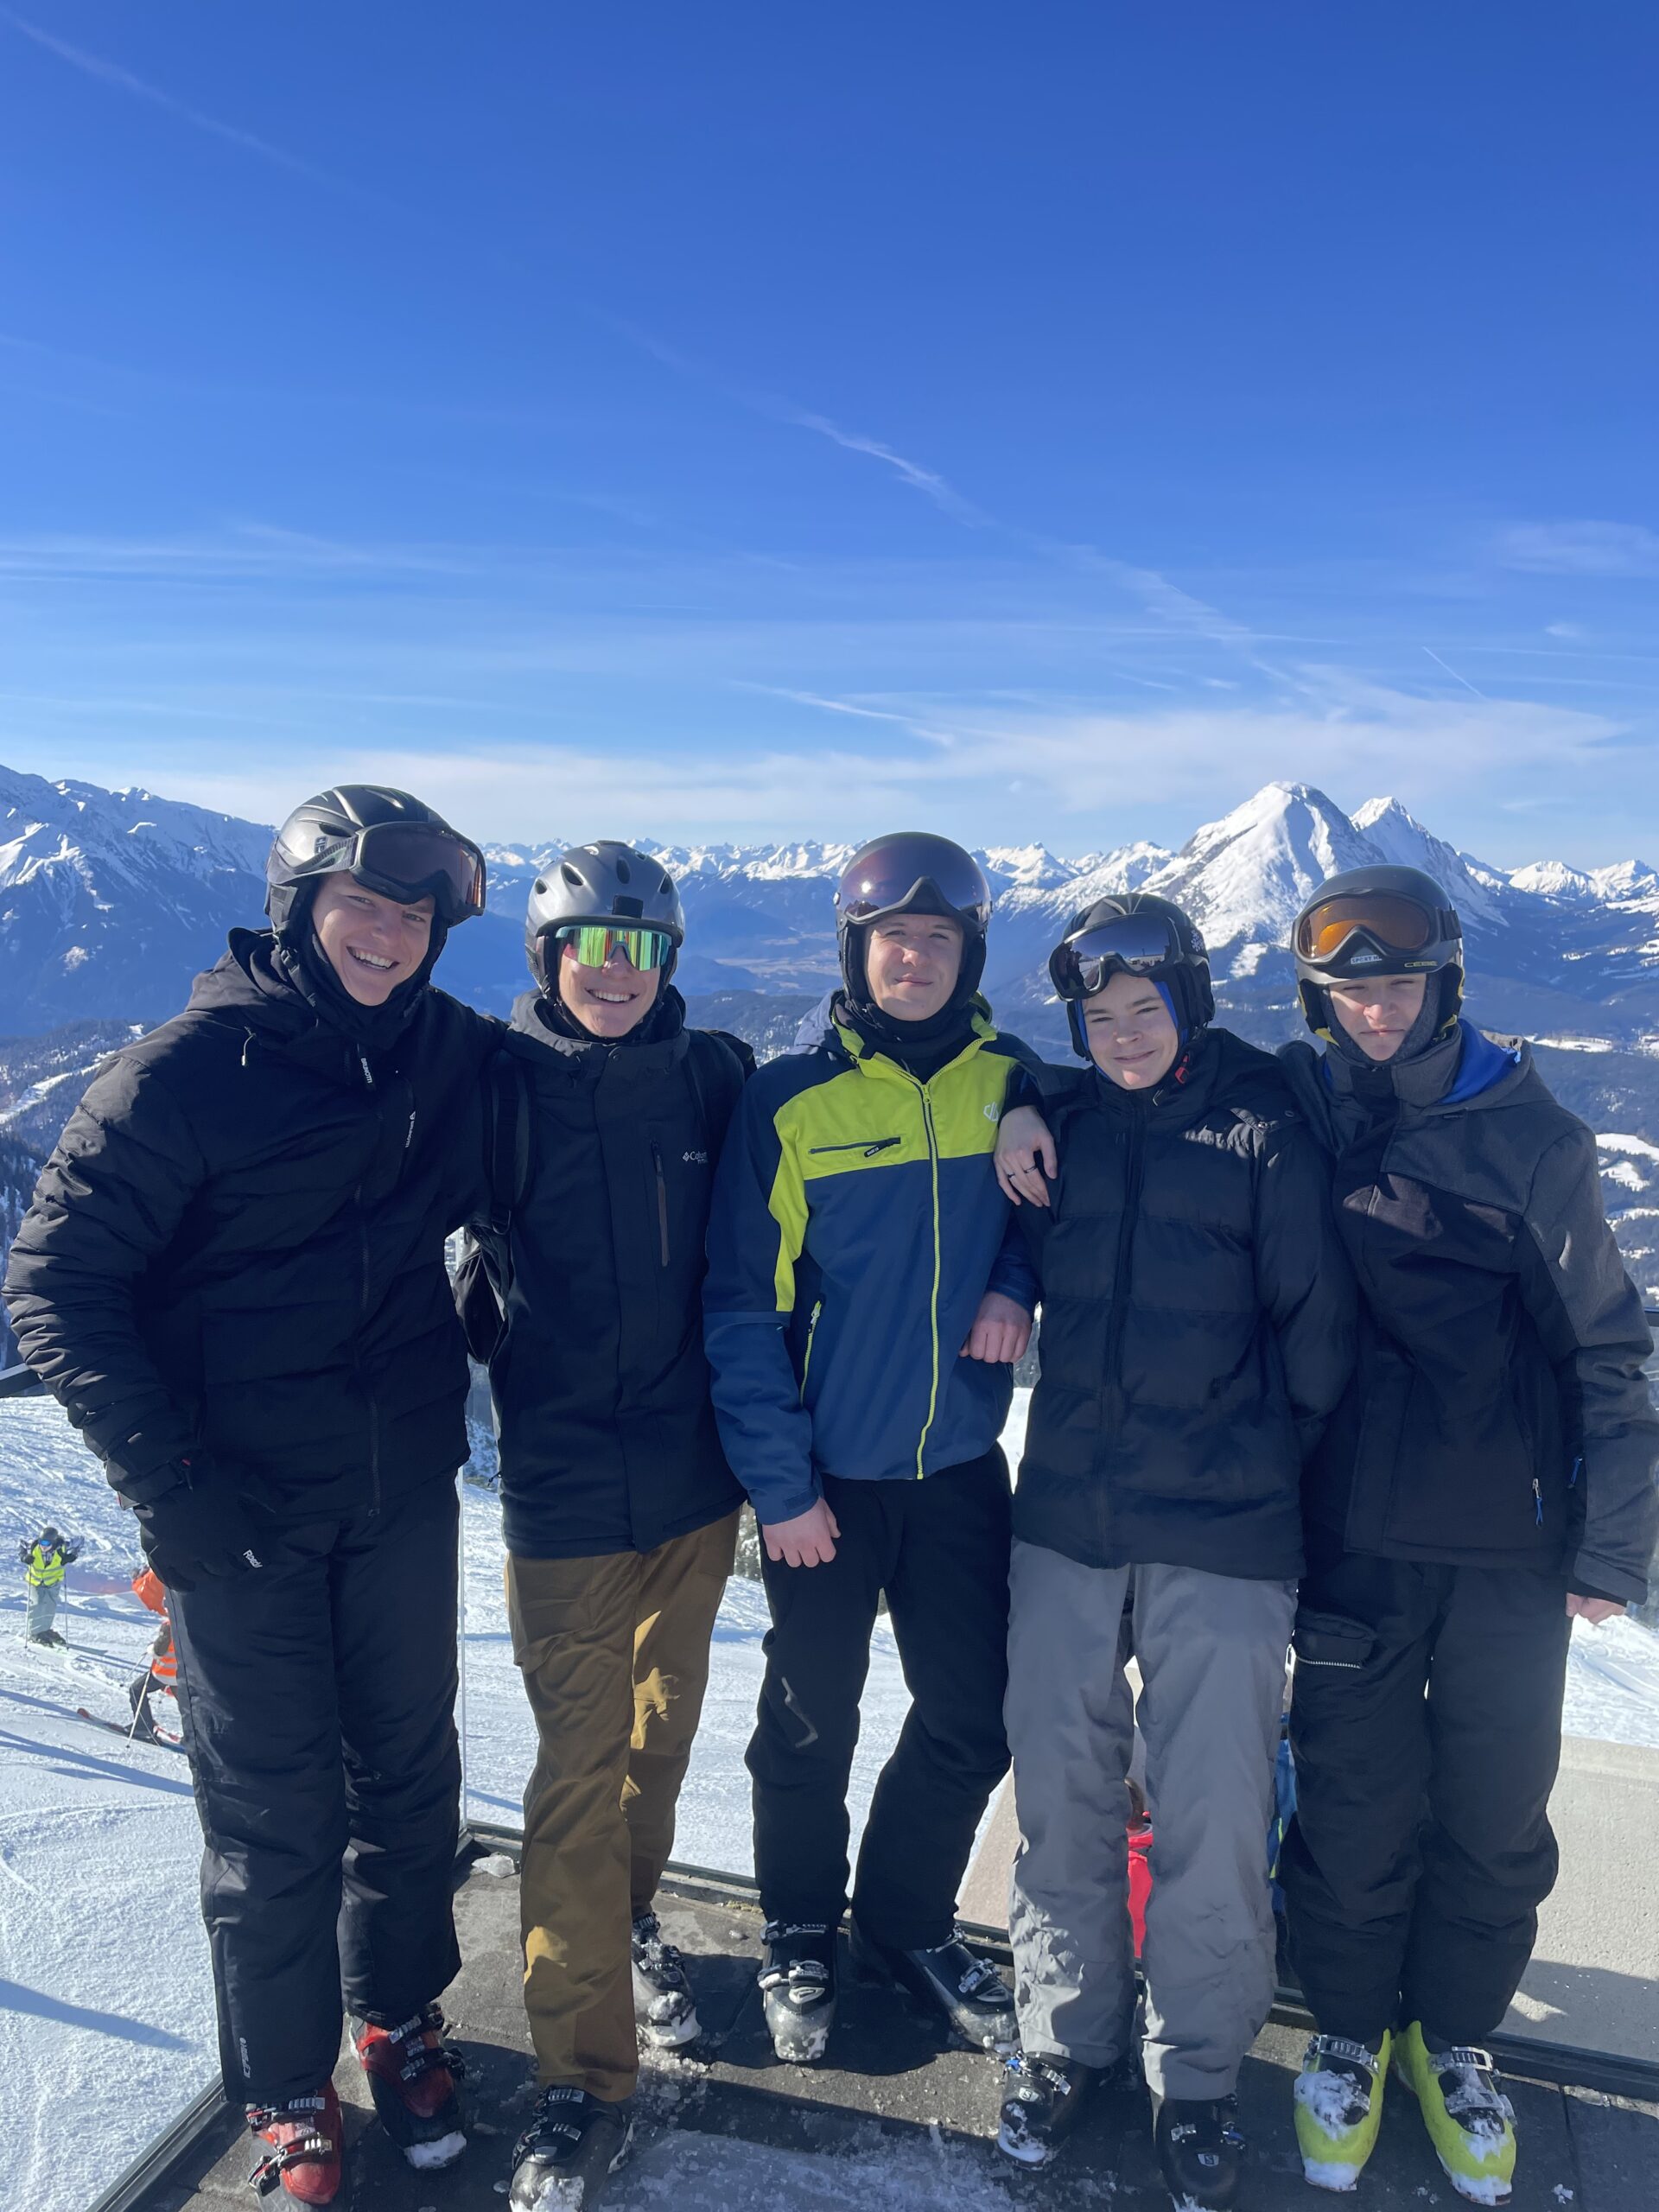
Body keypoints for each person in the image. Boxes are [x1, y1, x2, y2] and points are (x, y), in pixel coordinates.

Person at [4, 786, 496, 2208]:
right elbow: (55, 1284)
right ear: (298, 910)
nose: (390, 937)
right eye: (363, 907)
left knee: (409, 1777)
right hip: (236, 1513)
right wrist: (169, 1488)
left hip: (398, 1492)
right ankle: (285, 2082)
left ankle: (397, 2015)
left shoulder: (445, 1050)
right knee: (272, 1812)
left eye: (416, 917)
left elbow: (588, 1095)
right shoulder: (182, 1075)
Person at [1271, 864, 1659, 2206]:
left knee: (1494, 1816)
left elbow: (1607, 1351)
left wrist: (1613, 1546)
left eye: (1398, 984)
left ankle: (1453, 2041)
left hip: (1508, 1550)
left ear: (1444, 985)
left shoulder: (1532, 1139)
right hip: (1351, 1542)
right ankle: (1348, 2032)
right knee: (1353, 1807)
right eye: (1349, 991)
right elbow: (1147, 1088)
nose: (1375, 1009)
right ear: (1316, 1003)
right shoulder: (1301, 1105)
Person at [988, 896, 1353, 2212]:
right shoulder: (1065, 1123)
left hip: (1224, 1528)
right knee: (1061, 1794)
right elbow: (1018, 1203)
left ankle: (1197, 2075)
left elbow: (1316, 1336)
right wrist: (1021, 1098)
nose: (1124, 1035)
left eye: (1147, 1009)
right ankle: (1065, 2040)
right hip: (1070, 1519)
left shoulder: (1262, 1127)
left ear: (1190, 1004)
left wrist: (1259, 1464)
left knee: (1214, 1809)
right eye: (1099, 1017)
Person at [703, 831, 1038, 2068]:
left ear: (969, 956)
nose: (915, 958)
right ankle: (799, 1928)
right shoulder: (792, 1101)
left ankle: (901, 1921)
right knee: (809, 1721)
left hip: (958, 1468)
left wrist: (1013, 1279)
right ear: (856, 951)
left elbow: (1062, 1193)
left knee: (974, 1714)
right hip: (827, 1484)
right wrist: (780, 1488)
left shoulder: (1011, 1082)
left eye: (939, 938)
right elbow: (743, 1307)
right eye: (893, 937)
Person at [457, 844, 753, 2212]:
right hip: (566, 1494)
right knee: (576, 1778)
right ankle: (580, 2077)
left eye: (639, 950)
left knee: (661, 1736)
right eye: (589, 947)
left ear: (669, 963)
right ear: (547, 959)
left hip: (696, 1484)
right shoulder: (496, 1086)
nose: (614, 973)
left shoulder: (716, 1080)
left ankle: (623, 1922)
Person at [127, 1565, 179, 1743]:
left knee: (136, 1690)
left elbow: (159, 1651)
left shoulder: (168, 1627)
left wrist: (151, 1649)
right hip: (182, 1675)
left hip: (163, 1674)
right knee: (187, 1706)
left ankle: (143, 1726)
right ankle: (195, 1737)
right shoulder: (186, 1624)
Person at [20, 1523, 79, 1645]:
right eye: (41, 1542)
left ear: (54, 1542)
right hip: (35, 1581)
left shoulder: (63, 1547)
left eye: (46, 1543)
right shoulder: (33, 1545)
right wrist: (24, 1557)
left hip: (53, 1582)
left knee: (50, 1606)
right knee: (38, 1603)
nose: (43, 1546)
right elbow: (21, 1544)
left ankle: (45, 1630)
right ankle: (34, 1633)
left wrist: (73, 1555)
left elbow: (79, 1542)